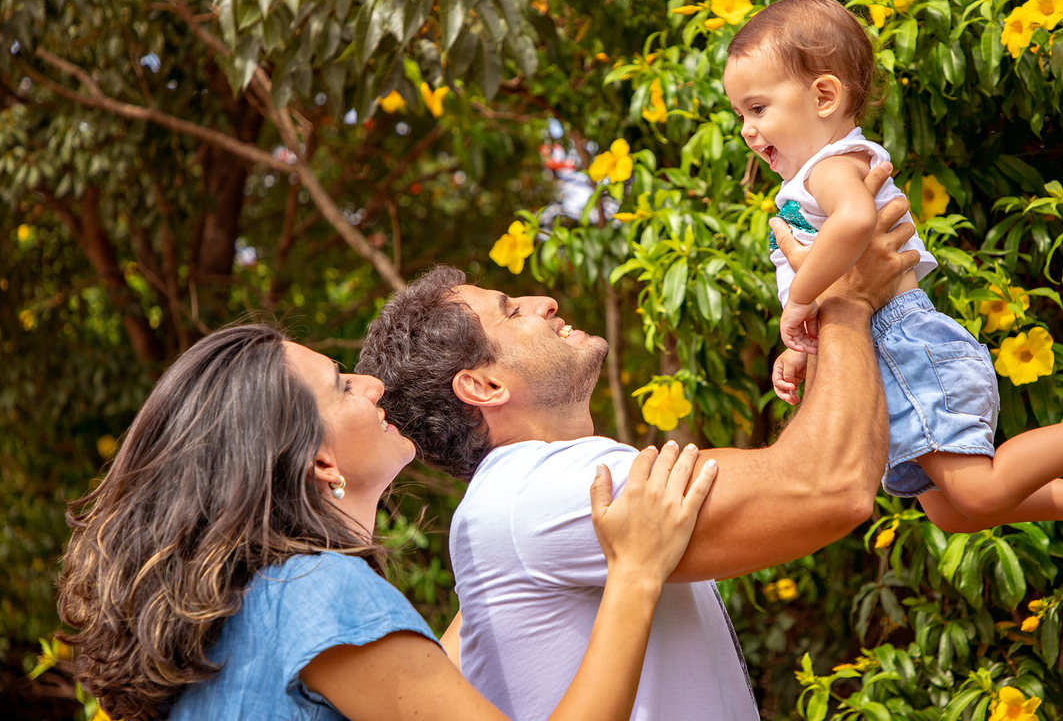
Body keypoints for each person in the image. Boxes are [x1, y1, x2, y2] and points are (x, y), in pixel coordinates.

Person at [356, 178, 920, 720]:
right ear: (484, 386)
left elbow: (823, 472)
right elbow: (828, 486)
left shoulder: (527, 498)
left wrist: (820, 319)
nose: (544, 302)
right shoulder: (537, 491)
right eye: (510, 310)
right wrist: (847, 298)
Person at [722, 0, 1063, 584]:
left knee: (980, 490)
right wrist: (803, 343)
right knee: (951, 511)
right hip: (888, 353)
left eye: (758, 107)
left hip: (907, 345)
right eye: (741, 114)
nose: (747, 129)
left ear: (823, 96)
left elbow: (856, 225)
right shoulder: (810, 178)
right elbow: (840, 271)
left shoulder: (830, 167)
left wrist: (799, 301)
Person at [56, 324, 719, 721]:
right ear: (318, 460)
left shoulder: (253, 611)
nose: (371, 385)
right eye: (343, 384)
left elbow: (444, 679)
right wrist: (633, 573)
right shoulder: (319, 595)